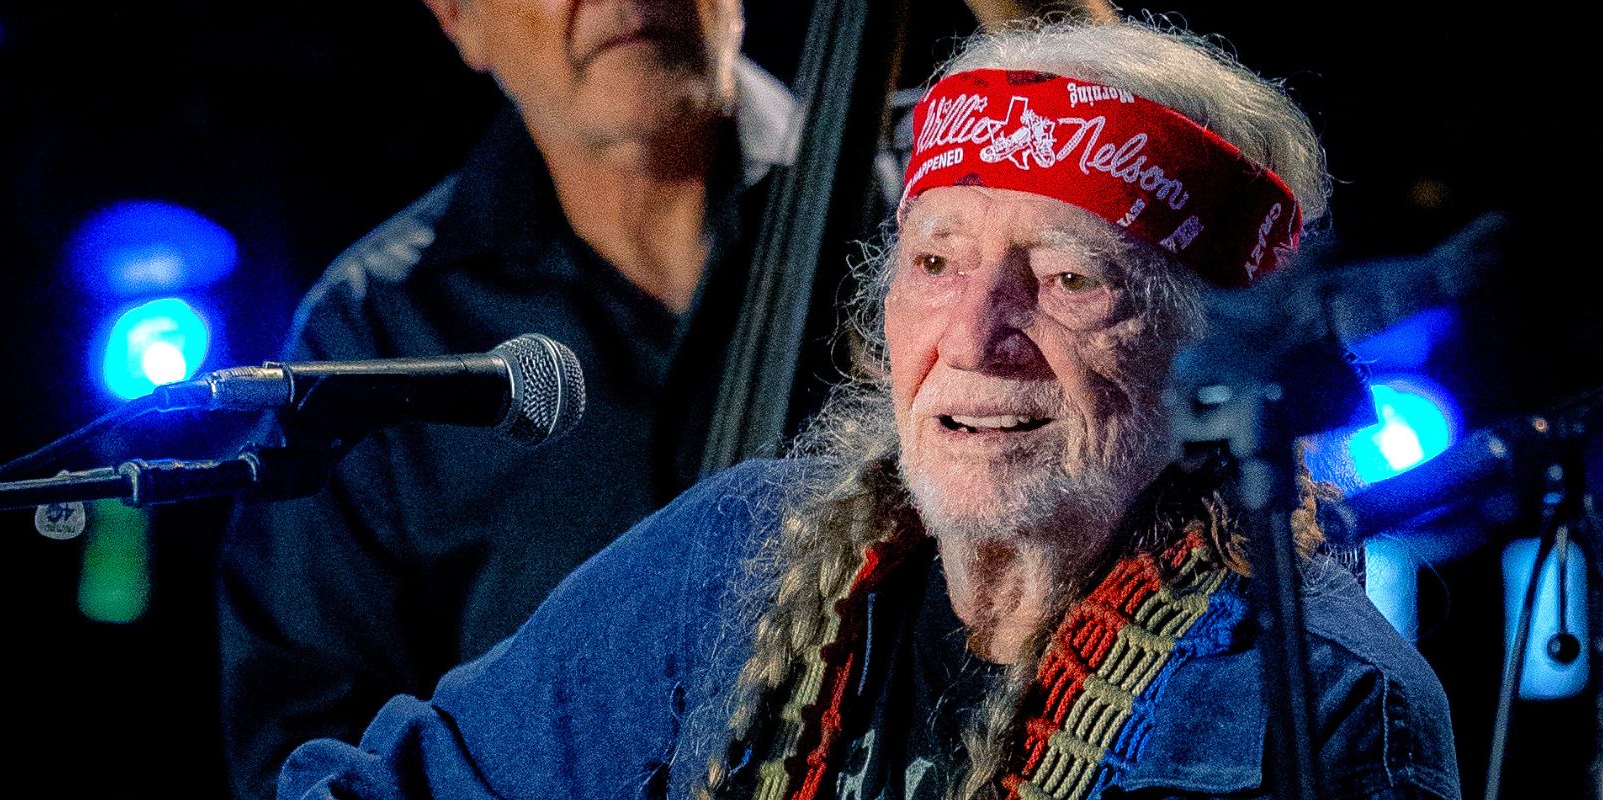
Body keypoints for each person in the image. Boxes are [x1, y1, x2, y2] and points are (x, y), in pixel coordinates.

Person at [276, 17, 1459, 800]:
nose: (974, 335)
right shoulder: (735, 549)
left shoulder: (1331, 700)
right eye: (936, 262)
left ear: (1212, 353)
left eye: (1067, 278)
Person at [217, 1, 1121, 798]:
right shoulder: (378, 328)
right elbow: (306, 744)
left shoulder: (945, 233)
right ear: (458, 18)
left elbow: (1146, 207)